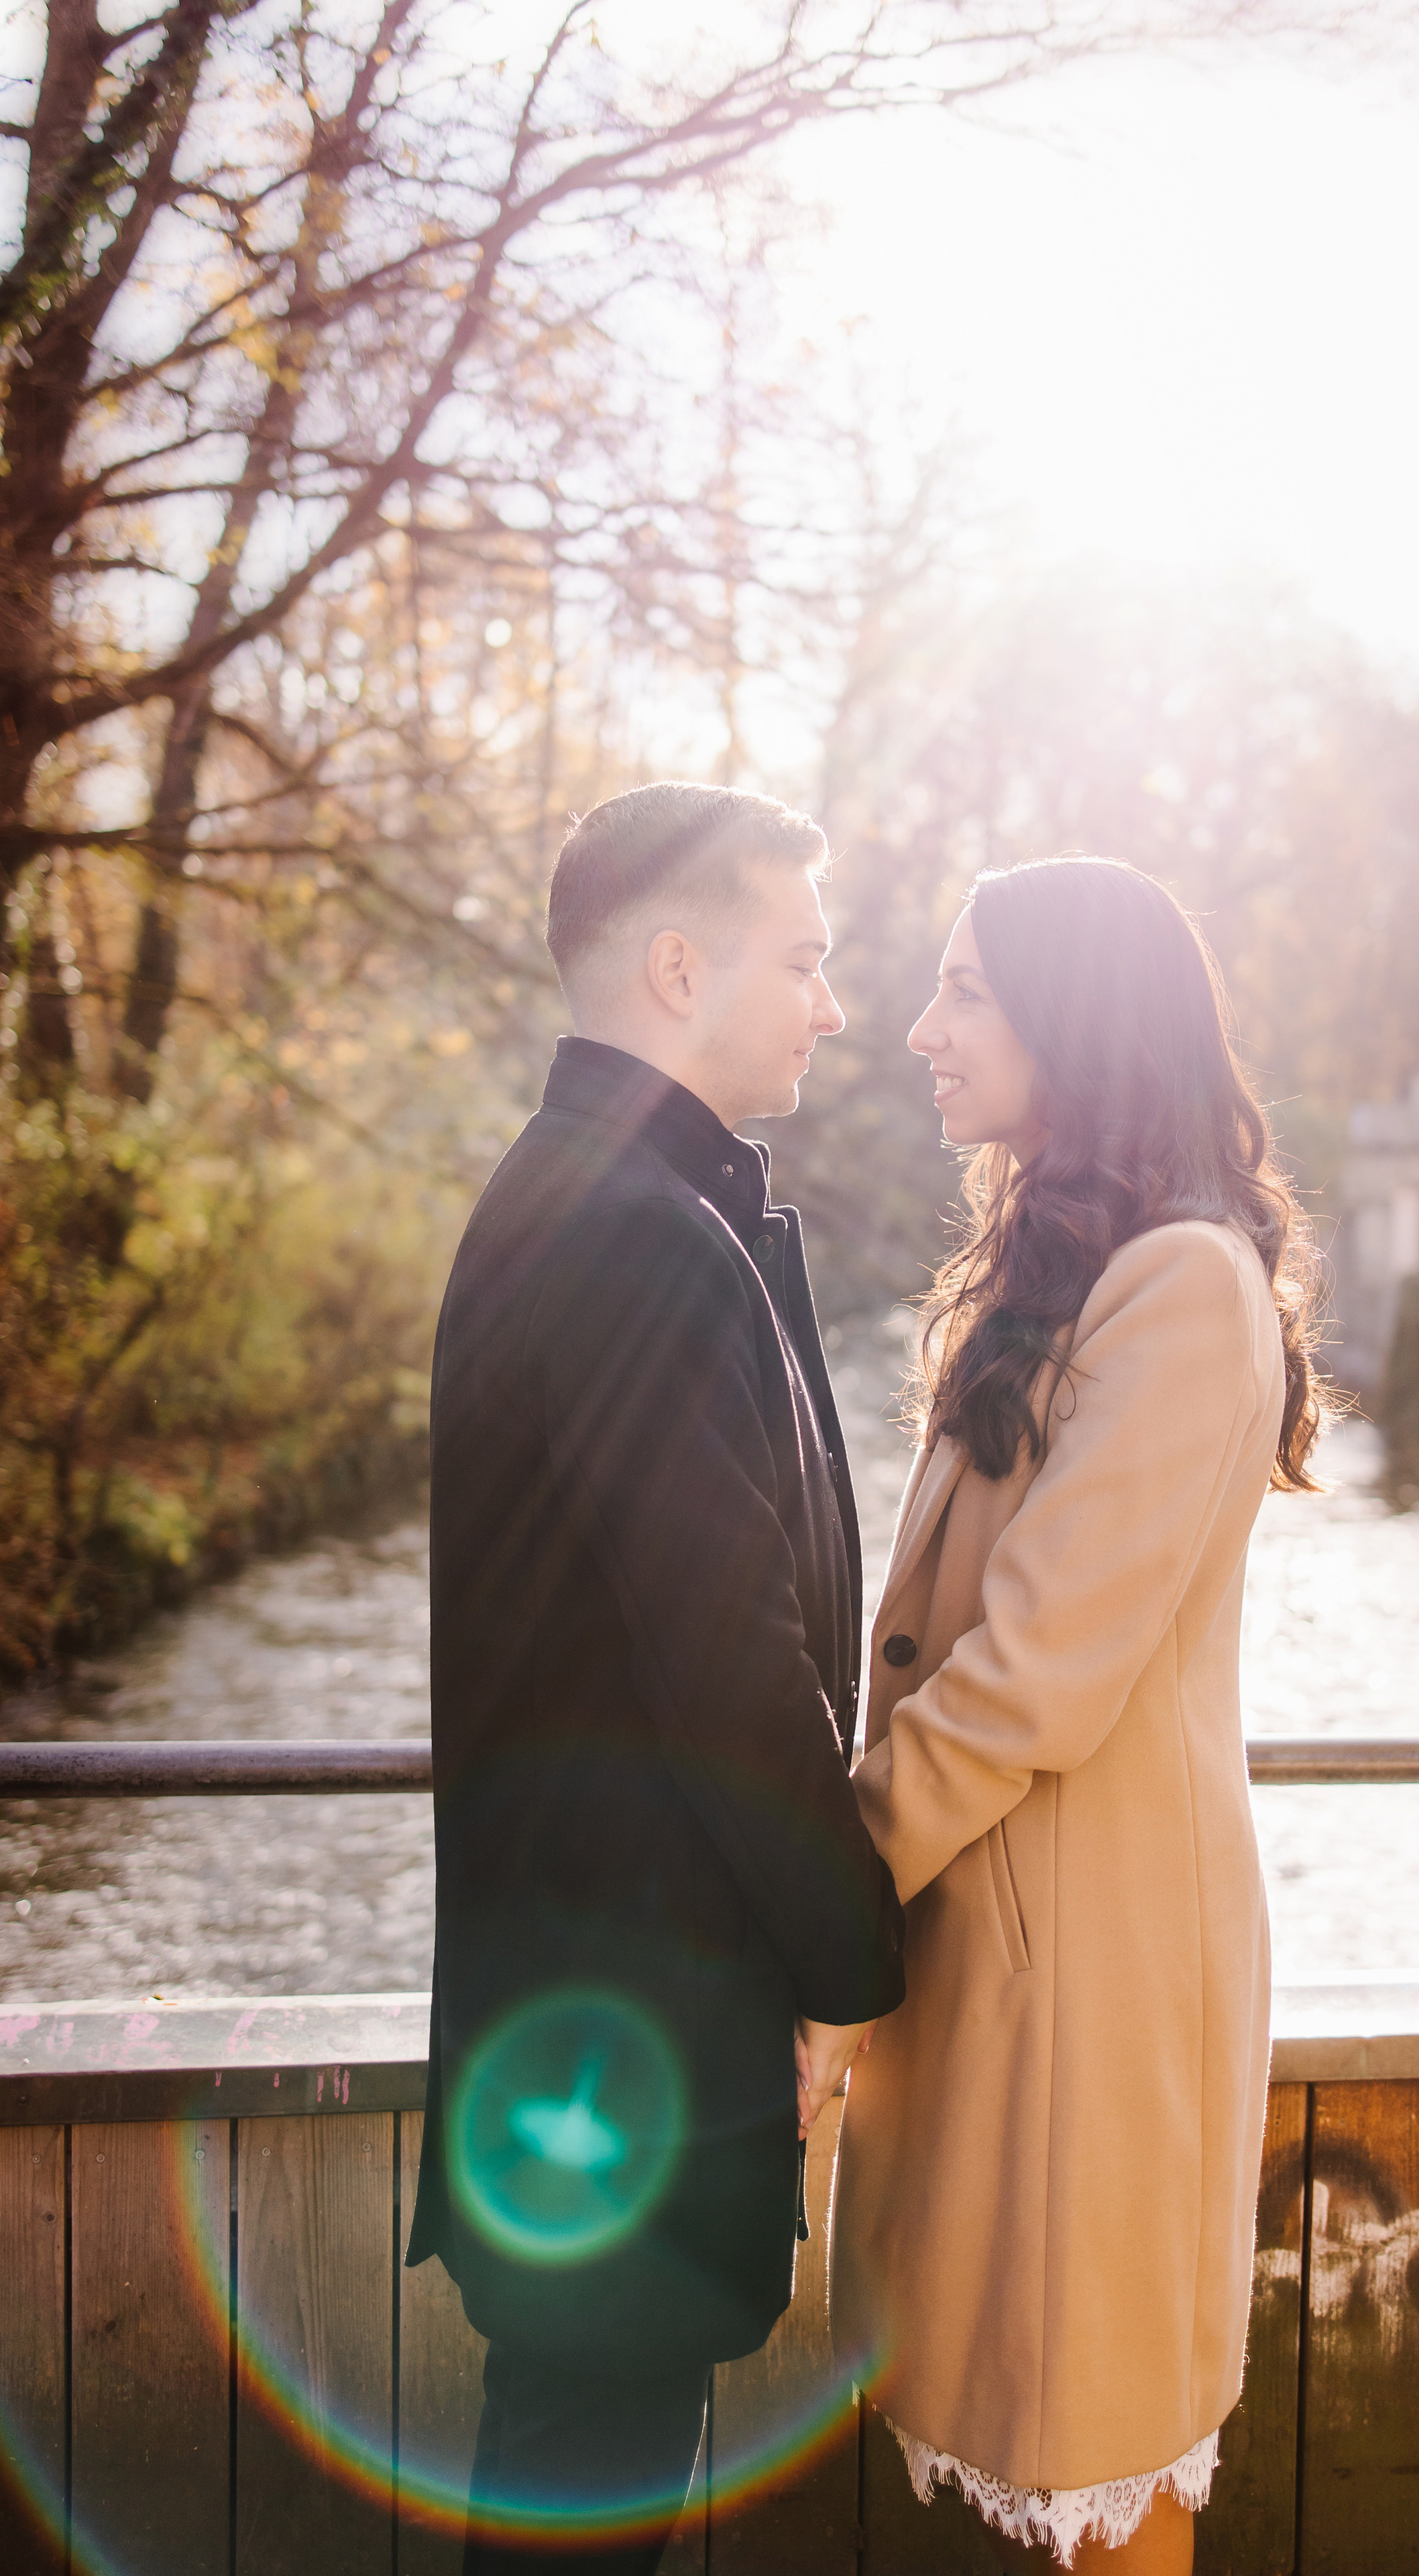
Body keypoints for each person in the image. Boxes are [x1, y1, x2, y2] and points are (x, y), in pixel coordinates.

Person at [406, 782, 905, 2575]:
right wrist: (856, 1965)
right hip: (621, 2054)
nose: (831, 1007)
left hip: (590, 2043)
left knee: (582, 2485)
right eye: (806, 960)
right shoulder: (628, 1230)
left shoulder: (606, 1201)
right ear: (678, 964)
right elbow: (732, 1674)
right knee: (582, 2508)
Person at [830, 856, 1329, 2575]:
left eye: (962, 990)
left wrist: (826, 1878)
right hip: (1000, 1949)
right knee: (1012, 2451)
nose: (919, 1030)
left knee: (1097, 2474)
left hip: (1092, 1978)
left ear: (1076, 1016)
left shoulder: (1182, 1288)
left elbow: (1037, 1668)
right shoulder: (1060, 1269)